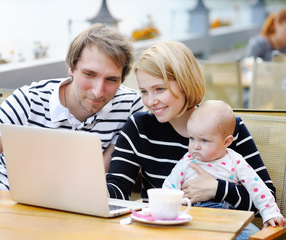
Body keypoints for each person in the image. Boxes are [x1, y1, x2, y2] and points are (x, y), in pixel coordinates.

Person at [0, 23, 144, 199]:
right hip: (2, 202)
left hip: (68, 213)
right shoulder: (28, 101)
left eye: (111, 79)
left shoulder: (130, 105)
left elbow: (97, 179)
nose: (98, 91)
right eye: (89, 74)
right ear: (71, 67)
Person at [106, 41, 276, 237]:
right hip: (162, 233)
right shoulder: (139, 127)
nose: (150, 101)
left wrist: (217, 189)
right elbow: (118, 189)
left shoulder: (227, 128)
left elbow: (266, 197)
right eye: (144, 91)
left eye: (159, 89)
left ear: (185, 83)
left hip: (218, 230)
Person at [162, 100, 286, 230]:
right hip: (192, 216)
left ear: (226, 142)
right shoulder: (187, 161)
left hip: (229, 218)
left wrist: (270, 213)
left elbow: (258, 188)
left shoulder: (235, 161)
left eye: (204, 140)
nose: (195, 146)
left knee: (253, 234)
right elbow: (169, 187)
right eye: (192, 138)